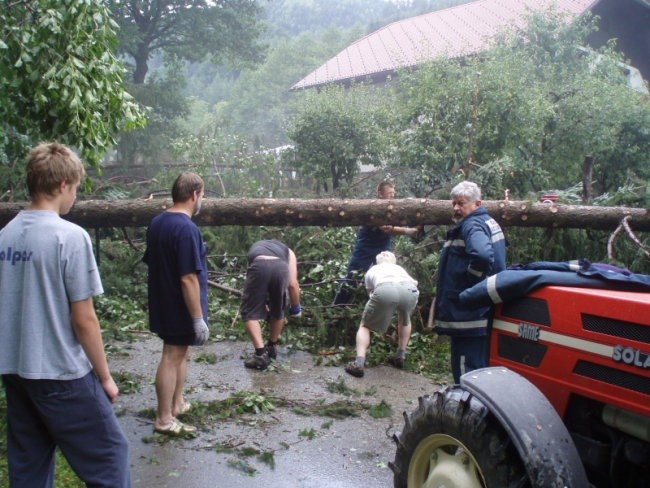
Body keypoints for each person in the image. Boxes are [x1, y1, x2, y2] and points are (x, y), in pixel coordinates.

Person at [0, 142, 131, 487]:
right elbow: (84, 319)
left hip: (15, 370)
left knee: (29, 465)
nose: (74, 197)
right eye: (74, 189)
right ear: (62, 186)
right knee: (109, 457)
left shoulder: (5, 236)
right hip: (61, 374)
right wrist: (104, 377)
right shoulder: (70, 237)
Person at [143, 171, 209, 436]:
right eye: (202, 195)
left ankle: (177, 403)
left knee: (180, 353)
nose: (201, 200)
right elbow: (188, 278)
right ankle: (163, 418)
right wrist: (197, 318)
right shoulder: (186, 228)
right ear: (194, 195)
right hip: (178, 305)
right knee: (171, 356)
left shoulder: (158, 222)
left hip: (162, 299)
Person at [433, 180, 506, 383]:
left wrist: (470, 280)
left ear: (477, 203)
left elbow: (482, 256)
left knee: (468, 376)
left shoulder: (472, 224)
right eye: (454, 203)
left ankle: (467, 412)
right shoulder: (488, 221)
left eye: (461, 203)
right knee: (481, 372)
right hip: (481, 312)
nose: (456, 208)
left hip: (469, 315)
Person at [333, 180, 420, 305]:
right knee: (352, 278)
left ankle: (386, 304)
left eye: (394, 193)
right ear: (380, 193)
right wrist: (409, 231)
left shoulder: (392, 208)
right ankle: (337, 306)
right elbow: (386, 228)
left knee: (387, 276)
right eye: (390, 193)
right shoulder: (373, 208)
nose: (393, 195)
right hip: (365, 249)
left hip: (383, 248)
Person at [345, 251, 419, 378]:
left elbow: (371, 294)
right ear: (393, 261)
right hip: (410, 289)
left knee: (365, 325)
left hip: (385, 288)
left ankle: (359, 363)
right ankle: (400, 355)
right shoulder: (399, 268)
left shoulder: (373, 270)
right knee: (405, 318)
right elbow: (415, 283)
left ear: (377, 261)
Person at [240, 239, 301, 370]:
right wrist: (296, 307)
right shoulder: (289, 252)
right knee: (278, 310)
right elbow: (293, 284)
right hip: (281, 268)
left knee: (249, 312)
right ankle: (271, 347)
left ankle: (260, 354)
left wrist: (263, 302)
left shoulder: (256, 247)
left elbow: (259, 278)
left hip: (259, 264)